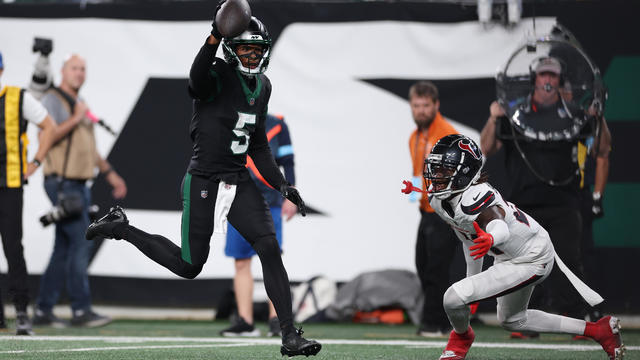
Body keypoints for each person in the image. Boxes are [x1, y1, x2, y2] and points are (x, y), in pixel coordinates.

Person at [85, 10, 321, 357]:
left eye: (256, 51)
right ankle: (121, 228)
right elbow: (195, 80)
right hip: (204, 178)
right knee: (189, 265)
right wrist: (213, 35)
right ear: (230, 50)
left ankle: (289, 335)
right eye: (244, 51)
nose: (251, 57)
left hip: (238, 178)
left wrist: (282, 185)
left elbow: (257, 144)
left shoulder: (263, 86)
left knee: (269, 247)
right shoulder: (217, 74)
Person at [411, 134, 624, 360]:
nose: (436, 176)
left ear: (465, 172)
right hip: (512, 255)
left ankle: (461, 339)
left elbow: (499, 227)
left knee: (452, 298)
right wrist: (470, 284)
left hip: (532, 256)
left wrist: (491, 239)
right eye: (435, 169)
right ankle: (599, 331)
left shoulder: (475, 197)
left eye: (444, 170)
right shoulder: (440, 200)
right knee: (513, 320)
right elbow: (469, 242)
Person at [479, 56, 610, 336]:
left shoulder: (575, 113)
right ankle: (522, 322)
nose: (547, 80)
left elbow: (601, 149)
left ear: (560, 81)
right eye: (542, 75)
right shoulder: (516, 114)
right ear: (534, 79)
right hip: (523, 205)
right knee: (522, 263)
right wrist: (493, 117)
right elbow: (486, 148)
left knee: (569, 262)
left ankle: (577, 321)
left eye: (552, 76)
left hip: (565, 201)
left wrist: (598, 119)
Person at [31, 54, 127, 328]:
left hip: (77, 183)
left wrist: (110, 174)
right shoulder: (54, 99)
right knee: (82, 240)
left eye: (83, 69)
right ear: (63, 71)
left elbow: (88, 146)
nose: (79, 73)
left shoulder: (78, 103)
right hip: (63, 182)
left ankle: (43, 310)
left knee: (63, 247)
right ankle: (80, 310)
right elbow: (45, 136)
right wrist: (76, 118)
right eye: (74, 68)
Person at [220, 113, 298, 338]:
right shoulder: (228, 119)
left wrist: (290, 193)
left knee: (272, 257)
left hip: (269, 200)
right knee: (241, 262)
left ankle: (278, 321)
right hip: (236, 198)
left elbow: (287, 161)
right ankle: (245, 321)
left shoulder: (277, 124)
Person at [0, 51, 58, 335]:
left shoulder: (16, 98)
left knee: (13, 247)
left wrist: (35, 162)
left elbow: (49, 126)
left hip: (9, 184)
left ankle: (21, 313)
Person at [406, 81, 458, 337]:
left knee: (437, 269)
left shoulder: (448, 135)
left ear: (436, 105)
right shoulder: (414, 137)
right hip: (426, 210)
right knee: (423, 265)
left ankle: (432, 324)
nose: (421, 110)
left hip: (445, 211)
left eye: (426, 105)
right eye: (417, 105)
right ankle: (446, 322)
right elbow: (418, 173)